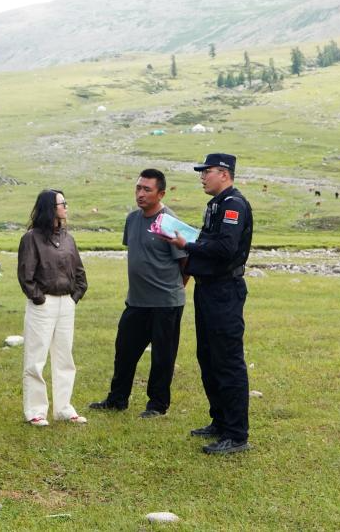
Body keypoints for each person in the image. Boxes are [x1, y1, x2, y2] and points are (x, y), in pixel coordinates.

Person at [164, 153, 254, 455]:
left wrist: (187, 245)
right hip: (208, 289)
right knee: (208, 356)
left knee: (227, 360)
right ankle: (220, 420)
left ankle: (236, 434)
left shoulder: (234, 205)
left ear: (224, 174)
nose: (202, 177)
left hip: (224, 290)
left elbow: (226, 248)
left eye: (207, 172)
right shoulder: (216, 205)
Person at [90, 169, 187, 418]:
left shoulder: (169, 222)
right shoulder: (132, 219)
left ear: (161, 194)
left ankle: (157, 405)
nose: (140, 194)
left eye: (147, 189)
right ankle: (117, 399)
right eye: (138, 188)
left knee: (163, 357)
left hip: (166, 303)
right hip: (136, 301)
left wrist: (174, 289)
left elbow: (186, 263)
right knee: (124, 351)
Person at [17, 189, 89, 426]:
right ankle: (35, 411)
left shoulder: (68, 238)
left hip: (66, 303)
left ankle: (64, 408)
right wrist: (39, 298)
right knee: (36, 359)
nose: (66, 207)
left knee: (65, 357)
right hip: (43, 304)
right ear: (50, 208)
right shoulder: (31, 238)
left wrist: (75, 296)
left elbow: (79, 270)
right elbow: (25, 275)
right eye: (62, 203)